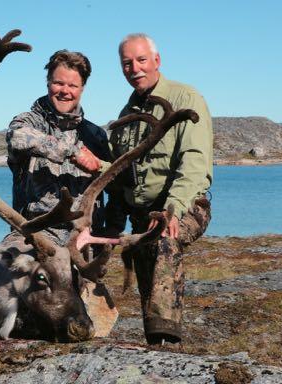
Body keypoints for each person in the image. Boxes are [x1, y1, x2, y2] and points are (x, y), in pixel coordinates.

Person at [76, 33, 213, 345]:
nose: (134, 68)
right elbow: (122, 171)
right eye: (127, 63)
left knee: (166, 239)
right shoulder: (126, 116)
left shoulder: (186, 99)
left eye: (140, 60)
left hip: (185, 204)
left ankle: (167, 342)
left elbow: (194, 161)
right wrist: (98, 168)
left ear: (156, 61)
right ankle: (156, 346)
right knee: (148, 279)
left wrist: (172, 208)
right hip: (139, 212)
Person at [3, 49, 109, 246]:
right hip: (34, 236)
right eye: (58, 83)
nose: (65, 91)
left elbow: (113, 184)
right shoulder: (29, 122)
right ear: (48, 83)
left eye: (73, 85)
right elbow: (17, 137)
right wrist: (73, 152)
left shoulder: (95, 135)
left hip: (83, 239)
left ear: (82, 88)